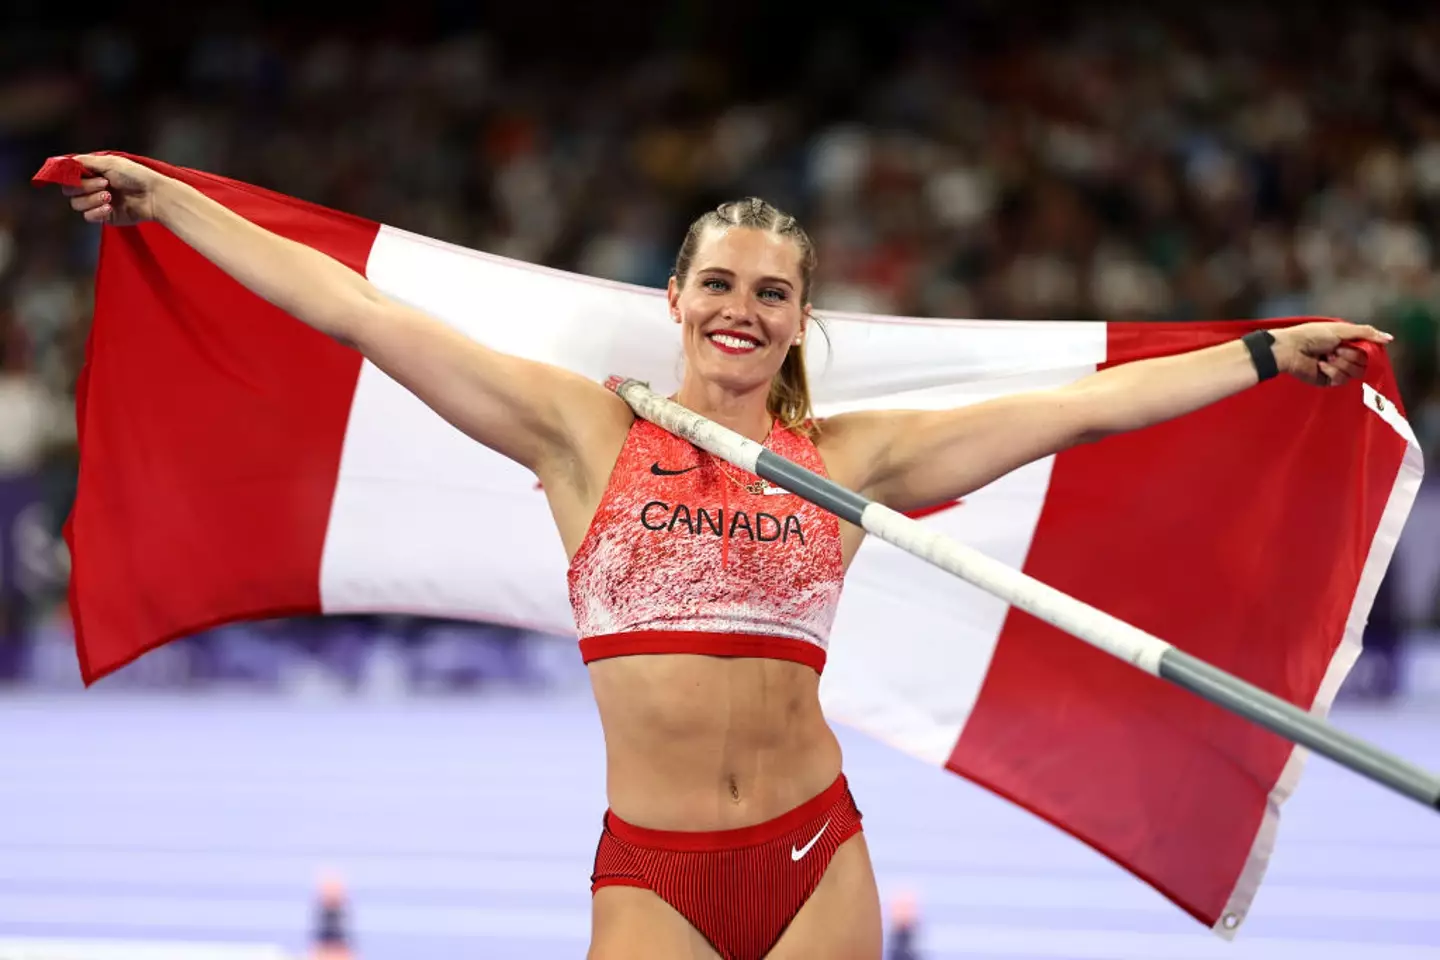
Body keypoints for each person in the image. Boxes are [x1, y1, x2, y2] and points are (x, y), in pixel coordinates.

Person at [59, 154, 1387, 960]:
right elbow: (359, 312)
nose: (741, 310)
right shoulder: (583, 433)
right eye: (719, 283)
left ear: (801, 318)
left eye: (771, 291)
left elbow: (1078, 410)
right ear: (676, 299)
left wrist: (1264, 353)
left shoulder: (850, 460)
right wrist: (175, 203)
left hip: (816, 852)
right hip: (657, 872)